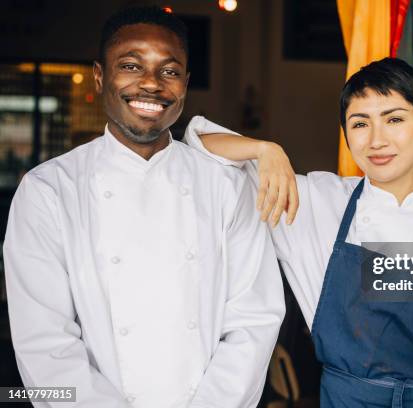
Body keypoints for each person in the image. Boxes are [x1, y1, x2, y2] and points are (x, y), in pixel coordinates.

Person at [184, 58, 413, 407]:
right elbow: (199, 148)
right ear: (346, 134)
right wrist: (265, 149)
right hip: (346, 399)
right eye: (360, 123)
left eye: (394, 119)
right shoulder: (314, 202)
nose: (377, 140)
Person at [3, 7, 284, 408]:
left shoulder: (227, 187)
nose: (151, 84)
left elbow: (254, 320)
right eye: (131, 66)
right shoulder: (48, 191)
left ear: (185, 84)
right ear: (100, 76)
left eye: (169, 72)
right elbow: (45, 344)